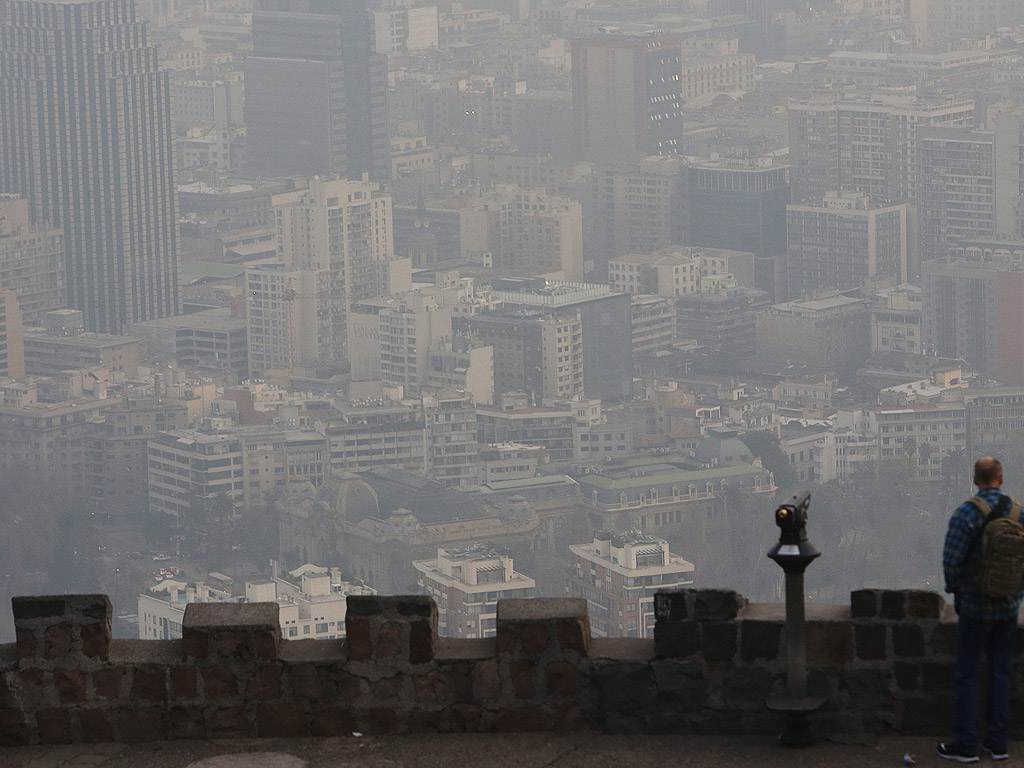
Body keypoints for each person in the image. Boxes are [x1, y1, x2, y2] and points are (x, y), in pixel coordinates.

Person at [939, 457, 1021, 763]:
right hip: (1008, 606)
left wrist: (958, 592)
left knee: (967, 673)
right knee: (1001, 671)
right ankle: (998, 745)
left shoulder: (966, 513)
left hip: (975, 606)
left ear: (976, 480)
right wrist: (1016, 593)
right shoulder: (1018, 512)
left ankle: (966, 745)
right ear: (1001, 478)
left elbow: (952, 560)